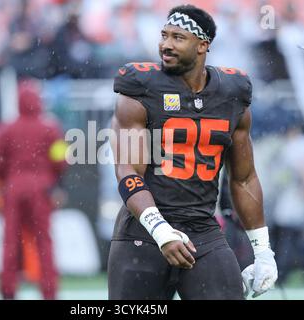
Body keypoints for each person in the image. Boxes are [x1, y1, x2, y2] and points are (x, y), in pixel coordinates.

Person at [108, 4, 278, 300]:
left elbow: (244, 178)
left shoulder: (231, 93)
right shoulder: (141, 87)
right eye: (164, 35)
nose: (166, 45)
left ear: (202, 46)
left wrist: (263, 251)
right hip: (143, 233)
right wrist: (161, 231)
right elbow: (127, 171)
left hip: (203, 229)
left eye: (177, 37)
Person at [0, 79, 67, 300]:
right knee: (44, 241)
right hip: (41, 188)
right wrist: (55, 183)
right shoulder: (52, 127)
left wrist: (5, 181)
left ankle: (8, 289)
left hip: (14, 187)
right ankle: (49, 290)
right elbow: (61, 159)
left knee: (10, 242)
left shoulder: (6, 129)